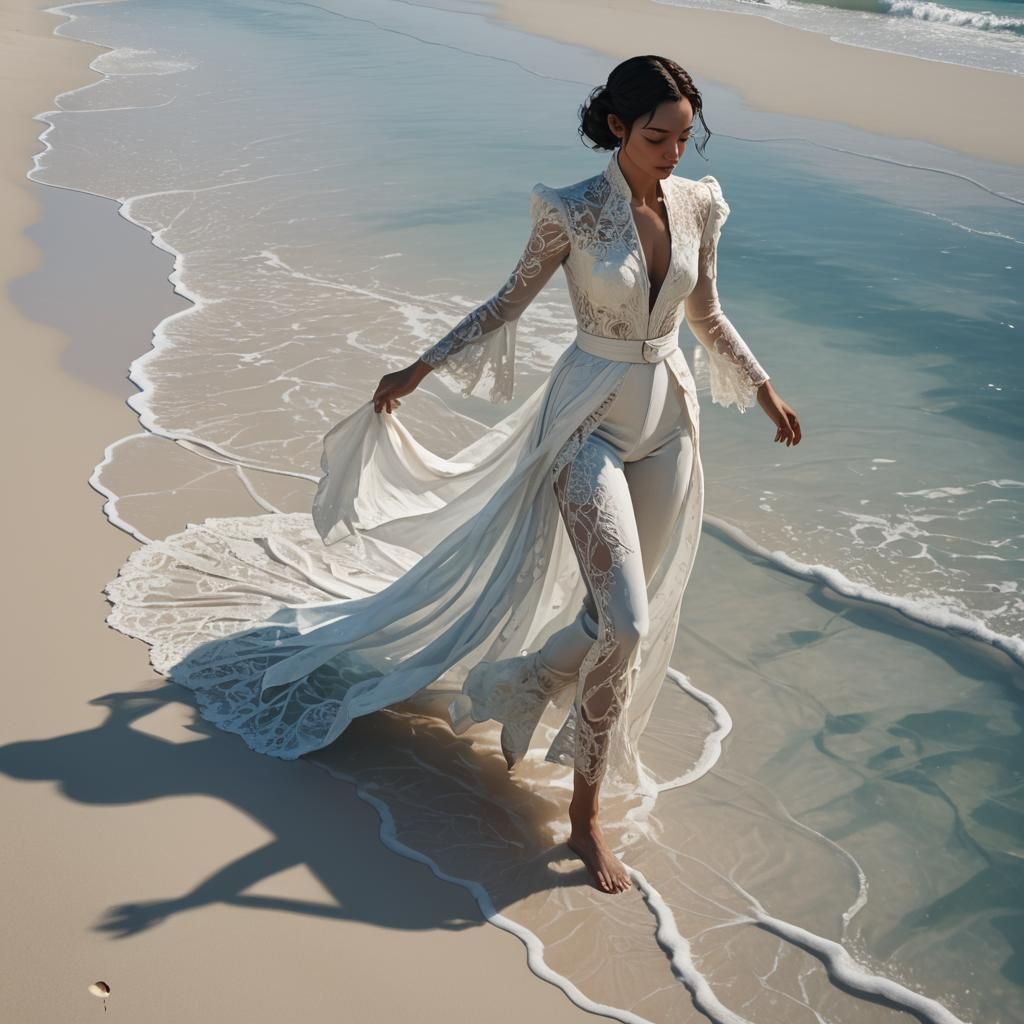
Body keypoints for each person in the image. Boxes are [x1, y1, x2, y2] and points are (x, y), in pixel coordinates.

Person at [102, 54, 801, 896]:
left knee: (617, 621)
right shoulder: (573, 213)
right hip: (586, 426)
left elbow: (705, 311)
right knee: (624, 620)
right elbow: (505, 304)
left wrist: (762, 388)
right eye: (658, 136)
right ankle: (584, 820)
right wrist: (417, 369)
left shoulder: (697, 205)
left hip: (671, 427)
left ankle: (526, 680)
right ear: (617, 126)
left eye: (686, 137)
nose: (674, 153)